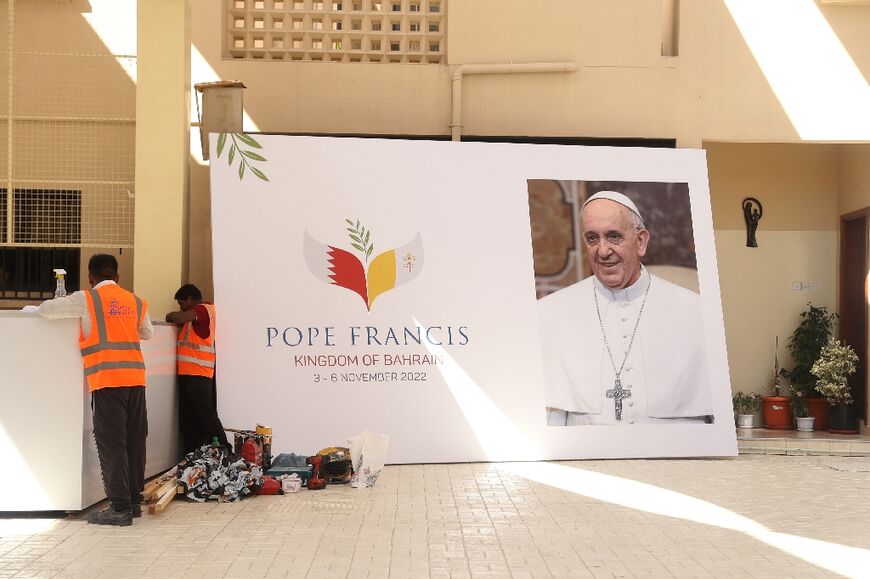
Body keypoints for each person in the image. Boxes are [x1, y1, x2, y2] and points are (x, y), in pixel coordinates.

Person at [538, 191, 714, 425]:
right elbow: (550, 420)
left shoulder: (697, 312)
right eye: (592, 238)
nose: (602, 251)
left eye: (614, 237)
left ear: (640, 242)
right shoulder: (549, 313)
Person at [39, 254, 152, 525]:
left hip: (107, 380)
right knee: (135, 442)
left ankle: (120, 508)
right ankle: (134, 502)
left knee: (112, 444)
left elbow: (46, 309)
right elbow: (147, 333)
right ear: (117, 276)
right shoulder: (135, 300)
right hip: (135, 380)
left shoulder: (86, 299)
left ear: (91, 278)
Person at [165, 284, 230, 454]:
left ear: (189, 299)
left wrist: (171, 315)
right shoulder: (195, 317)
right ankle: (193, 452)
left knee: (206, 415)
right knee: (191, 417)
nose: (180, 308)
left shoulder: (202, 310)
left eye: (181, 303)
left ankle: (226, 449)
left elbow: (177, 318)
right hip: (190, 373)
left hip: (198, 373)